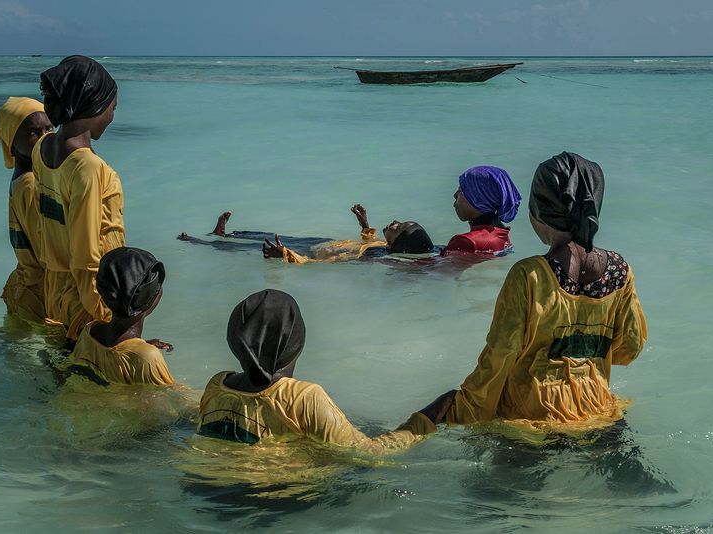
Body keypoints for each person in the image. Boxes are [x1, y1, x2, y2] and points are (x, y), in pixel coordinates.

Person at [441, 152, 647, 435]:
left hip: (530, 416)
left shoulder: (529, 274)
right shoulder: (620, 270)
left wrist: (470, 408)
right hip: (598, 409)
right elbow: (629, 349)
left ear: (540, 208)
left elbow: (499, 356)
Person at [196, 289, 455, 451]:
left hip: (207, 487)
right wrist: (427, 418)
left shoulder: (217, 384)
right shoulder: (304, 398)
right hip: (273, 502)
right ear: (297, 340)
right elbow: (371, 454)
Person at [33, 55, 126, 342]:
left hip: (56, 288)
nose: (112, 115)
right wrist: (108, 320)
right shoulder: (87, 167)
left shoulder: (42, 148)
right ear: (95, 105)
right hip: (87, 297)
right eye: (112, 107)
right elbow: (86, 257)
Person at [61, 247, 174, 386]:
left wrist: (140, 346)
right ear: (151, 300)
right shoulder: (147, 357)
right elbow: (174, 397)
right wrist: (142, 352)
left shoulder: (89, 332)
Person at [179, 206, 435, 264]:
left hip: (310, 252)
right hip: (321, 243)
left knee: (250, 248)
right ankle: (224, 234)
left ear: (395, 243)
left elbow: (321, 265)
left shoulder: (372, 257)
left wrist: (287, 256)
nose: (394, 222)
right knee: (266, 234)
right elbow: (367, 241)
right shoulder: (379, 244)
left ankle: (200, 242)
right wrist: (365, 225)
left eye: (399, 227)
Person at [0, 97, 55, 324]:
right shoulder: (30, 185)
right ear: (11, 142)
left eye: (49, 128)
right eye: (32, 133)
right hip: (39, 295)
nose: (44, 138)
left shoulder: (25, 179)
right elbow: (46, 251)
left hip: (26, 287)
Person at [441, 165, 521, 258]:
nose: (455, 195)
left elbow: (431, 270)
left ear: (477, 198)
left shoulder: (466, 242)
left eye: (460, 191)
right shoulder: (502, 235)